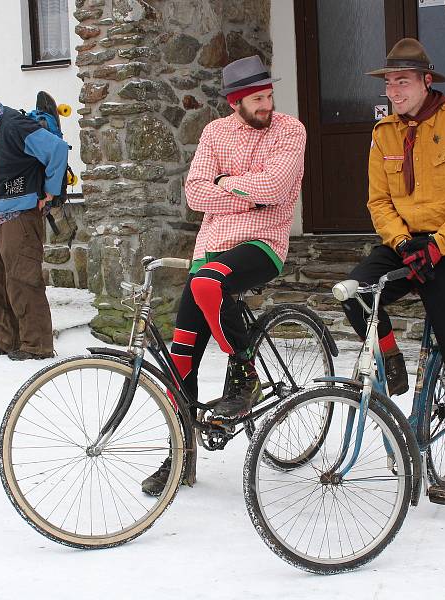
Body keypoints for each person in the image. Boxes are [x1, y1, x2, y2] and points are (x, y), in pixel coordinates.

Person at [341, 38, 445, 524]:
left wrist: (437, 245)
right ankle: (391, 356)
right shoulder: (382, 134)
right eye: (389, 81)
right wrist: (402, 243)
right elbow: (378, 202)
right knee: (353, 293)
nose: (394, 89)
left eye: (403, 81)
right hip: (404, 245)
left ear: (425, 82)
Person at [142, 55, 307, 496]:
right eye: (257, 99)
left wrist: (226, 184)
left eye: (269, 96)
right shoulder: (215, 133)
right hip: (209, 250)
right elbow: (194, 193)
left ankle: (245, 369)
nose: (267, 105)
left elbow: (274, 190)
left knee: (209, 282)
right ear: (236, 102)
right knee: (180, 359)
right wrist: (245, 190)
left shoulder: (291, 131)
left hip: (262, 245)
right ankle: (179, 455)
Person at [0, 81, 68, 361]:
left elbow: (57, 149)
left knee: (23, 279)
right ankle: (7, 340)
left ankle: (36, 345)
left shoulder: (14, 125)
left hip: (22, 214)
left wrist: (51, 192)